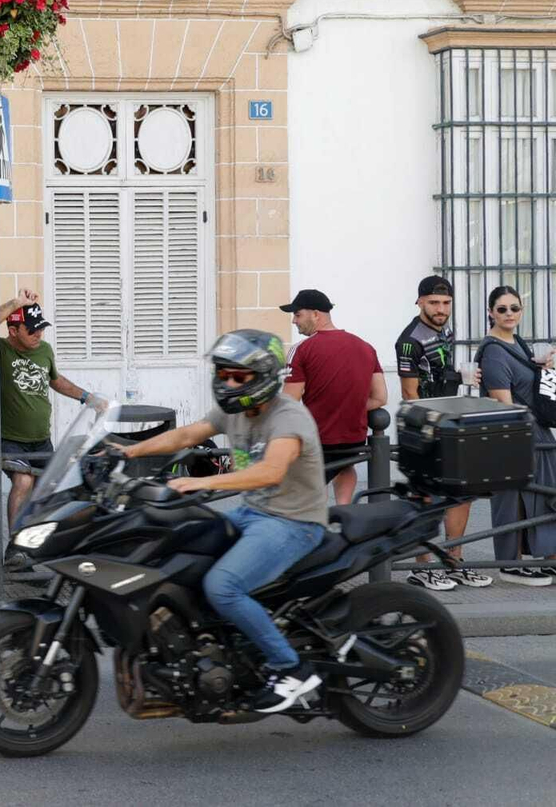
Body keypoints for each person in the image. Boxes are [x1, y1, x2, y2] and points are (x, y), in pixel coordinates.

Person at [123, 330, 328, 713]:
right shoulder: (234, 411)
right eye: (224, 374)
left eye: (240, 377)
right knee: (181, 544)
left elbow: (270, 472)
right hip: (254, 512)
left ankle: (292, 669)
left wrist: (202, 482)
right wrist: (127, 451)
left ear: (264, 376)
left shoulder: (288, 417)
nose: (229, 383)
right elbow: (185, 434)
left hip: (293, 521)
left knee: (223, 586)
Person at [396, 277, 491, 591]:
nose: (441, 309)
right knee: (425, 497)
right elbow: (410, 394)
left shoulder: (445, 331)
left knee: (461, 495)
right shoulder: (410, 340)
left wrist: (458, 381)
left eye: (446, 303)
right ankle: (422, 568)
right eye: (434, 303)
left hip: (450, 425)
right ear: (419, 302)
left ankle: (454, 562)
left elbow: (439, 378)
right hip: (424, 429)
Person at [0, 292, 102, 524]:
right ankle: (15, 546)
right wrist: (16, 303)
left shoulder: (44, 349)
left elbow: (55, 380)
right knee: (24, 481)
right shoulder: (0, 350)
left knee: (53, 487)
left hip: (41, 439)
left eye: (41, 328)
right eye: (32, 330)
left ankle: (38, 542)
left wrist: (87, 397)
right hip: (11, 440)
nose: (39, 334)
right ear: (13, 331)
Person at [476, 285, 556, 586]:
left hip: (537, 435)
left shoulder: (519, 344)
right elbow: (503, 405)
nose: (509, 314)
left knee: (544, 497)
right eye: (502, 309)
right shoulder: (495, 352)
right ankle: (510, 564)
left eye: (515, 308)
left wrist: (545, 366)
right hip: (518, 436)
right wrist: (518, 441)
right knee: (515, 500)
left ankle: (546, 560)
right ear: (490, 312)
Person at [280, 289, 386, 506]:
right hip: (354, 438)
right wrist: (350, 407)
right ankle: (344, 511)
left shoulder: (301, 350)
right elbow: (380, 397)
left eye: (298, 315)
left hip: (318, 438)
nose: (294, 321)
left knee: (294, 497)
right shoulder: (366, 347)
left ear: (316, 314)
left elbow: (289, 401)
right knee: (345, 466)